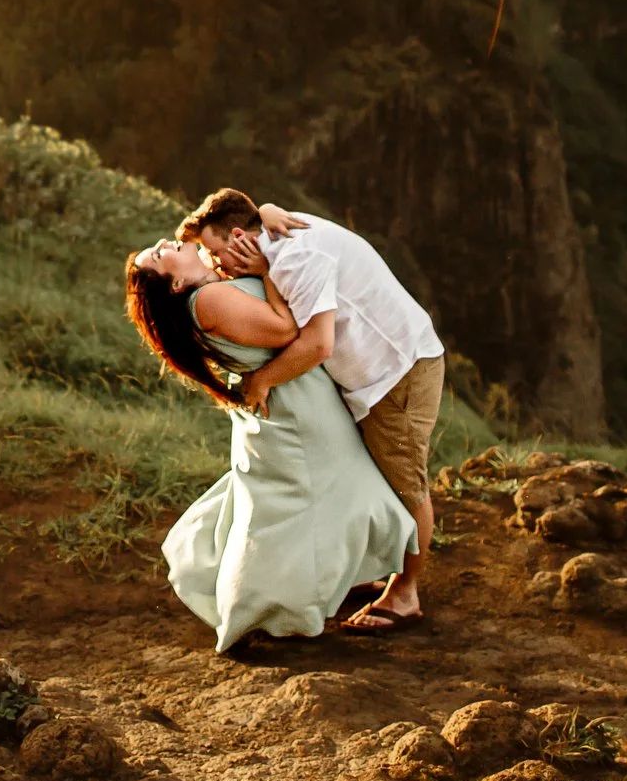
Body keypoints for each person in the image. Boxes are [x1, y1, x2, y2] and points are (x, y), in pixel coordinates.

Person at [124, 238, 418, 652]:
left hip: (295, 398)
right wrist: (266, 271)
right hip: (297, 409)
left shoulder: (212, 291)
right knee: (315, 499)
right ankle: (262, 605)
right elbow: (285, 330)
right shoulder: (207, 299)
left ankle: (328, 579)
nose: (163, 242)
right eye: (158, 255)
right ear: (174, 285)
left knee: (314, 497)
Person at [182, 189, 445, 633]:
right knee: (376, 478)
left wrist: (262, 380)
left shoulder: (291, 255)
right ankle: (382, 569)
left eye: (215, 251)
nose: (216, 265)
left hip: (396, 372)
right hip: (379, 368)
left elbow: (318, 343)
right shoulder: (274, 236)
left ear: (242, 234)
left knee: (405, 483)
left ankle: (406, 594)